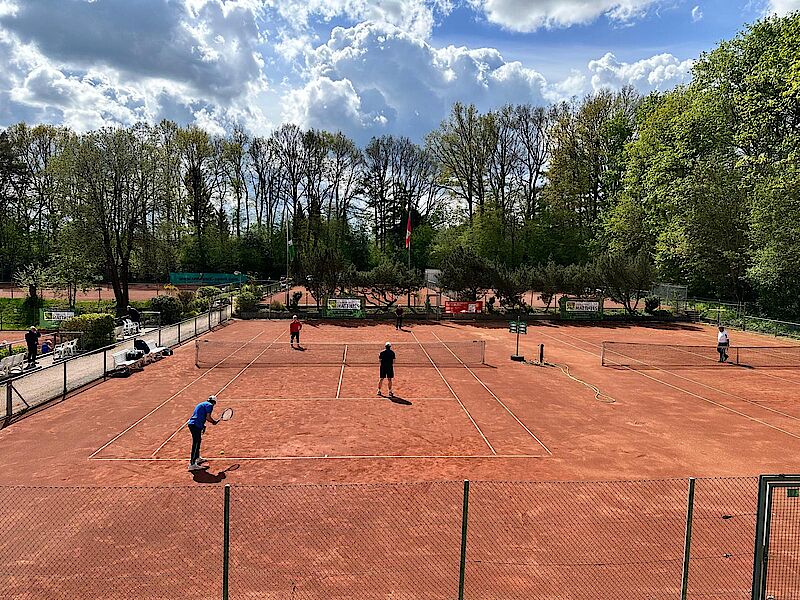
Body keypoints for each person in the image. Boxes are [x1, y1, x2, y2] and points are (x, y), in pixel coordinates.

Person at [187, 395, 219, 471]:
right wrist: (213, 422)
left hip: (194, 424)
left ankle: (197, 458)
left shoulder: (202, 404)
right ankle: (192, 464)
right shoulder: (210, 405)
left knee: (198, 441)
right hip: (195, 425)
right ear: (214, 402)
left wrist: (203, 426)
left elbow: (199, 415)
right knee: (196, 443)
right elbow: (208, 417)